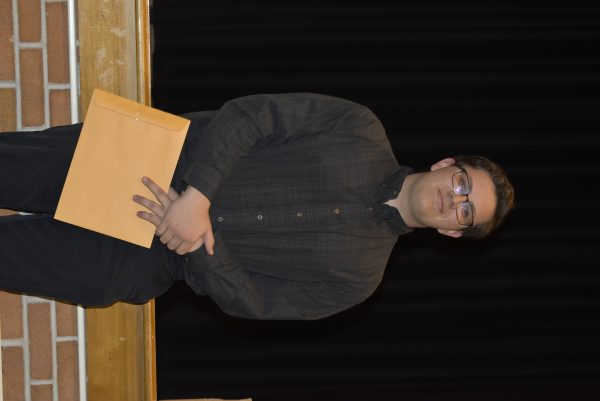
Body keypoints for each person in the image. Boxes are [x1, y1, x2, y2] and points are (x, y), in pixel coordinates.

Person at [0, 93, 514, 320]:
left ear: (452, 232)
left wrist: (194, 243)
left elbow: (255, 303)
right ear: (447, 164)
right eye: (463, 185)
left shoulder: (359, 281)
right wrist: (197, 196)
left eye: (466, 212)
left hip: (148, 261)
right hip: (149, 163)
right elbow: (253, 116)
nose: (454, 200)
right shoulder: (359, 127)